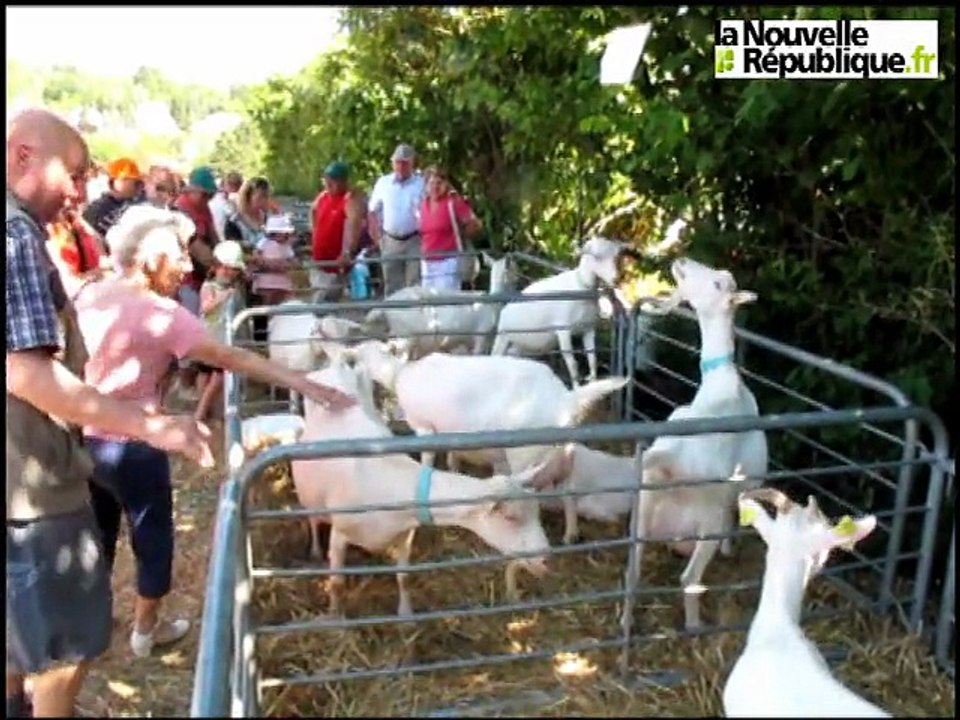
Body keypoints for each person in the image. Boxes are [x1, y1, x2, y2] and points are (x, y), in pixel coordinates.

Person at [72, 205, 356, 660]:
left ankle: (92, 622)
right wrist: (303, 383)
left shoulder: (91, 293)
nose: (188, 266)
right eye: (179, 257)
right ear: (151, 259)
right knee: (153, 537)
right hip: (136, 444)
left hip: (83, 440)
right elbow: (233, 358)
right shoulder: (162, 313)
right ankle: (146, 631)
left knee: (97, 533)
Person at [6, 108, 213, 718]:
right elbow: (27, 373)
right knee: (65, 652)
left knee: (16, 632)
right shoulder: (16, 233)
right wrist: (156, 425)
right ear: (23, 155)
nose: (79, 190)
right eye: (71, 173)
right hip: (32, 485)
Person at [171, 166, 220, 401]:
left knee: (201, 328)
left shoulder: (204, 209)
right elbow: (195, 246)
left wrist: (222, 254)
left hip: (203, 277)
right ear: (192, 190)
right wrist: (217, 262)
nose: (208, 199)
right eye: (205, 194)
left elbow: (213, 238)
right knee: (187, 328)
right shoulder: (180, 211)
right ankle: (184, 383)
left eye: (210, 195)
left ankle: (198, 381)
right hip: (187, 278)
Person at [195, 240, 247, 422]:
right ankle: (201, 412)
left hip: (221, 339)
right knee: (207, 375)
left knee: (215, 377)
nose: (226, 271)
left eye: (231, 268)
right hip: (210, 337)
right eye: (222, 267)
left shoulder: (234, 289)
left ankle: (204, 409)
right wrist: (222, 298)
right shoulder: (209, 287)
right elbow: (205, 307)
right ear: (215, 267)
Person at [367, 144, 426, 295]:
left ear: (412, 164)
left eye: (405, 163)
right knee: (392, 283)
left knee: (415, 282)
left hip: (414, 240)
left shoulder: (421, 184)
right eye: (397, 162)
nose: (400, 166)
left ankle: (414, 315)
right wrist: (377, 237)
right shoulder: (383, 183)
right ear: (392, 163)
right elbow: (372, 210)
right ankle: (394, 315)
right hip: (390, 240)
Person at [417, 166, 483, 291]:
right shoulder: (423, 204)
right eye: (431, 183)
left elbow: (475, 223)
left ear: (446, 184)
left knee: (446, 301)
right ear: (426, 185)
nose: (435, 187)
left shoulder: (453, 202)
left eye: (439, 183)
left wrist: (460, 235)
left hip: (448, 262)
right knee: (428, 302)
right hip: (427, 262)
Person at [310, 161, 365, 302]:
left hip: (335, 264)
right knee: (318, 302)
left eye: (333, 180)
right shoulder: (323, 196)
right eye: (327, 179)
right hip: (319, 262)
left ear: (343, 181)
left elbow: (355, 224)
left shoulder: (349, 200)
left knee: (324, 303)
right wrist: (315, 233)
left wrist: (349, 252)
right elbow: (313, 210)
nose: (328, 183)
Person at [82, 157, 143, 239]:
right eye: (127, 179)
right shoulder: (98, 208)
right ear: (115, 181)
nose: (137, 186)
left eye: (137, 182)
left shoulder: (138, 203)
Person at [253, 214, 297, 306]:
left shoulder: (286, 246)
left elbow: (292, 260)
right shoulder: (264, 243)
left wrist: (286, 265)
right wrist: (265, 263)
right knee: (265, 307)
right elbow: (257, 255)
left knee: (281, 306)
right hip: (265, 282)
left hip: (282, 282)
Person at [209, 171, 243, 243]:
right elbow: (236, 217)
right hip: (223, 239)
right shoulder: (227, 201)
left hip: (218, 238)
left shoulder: (214, 198)